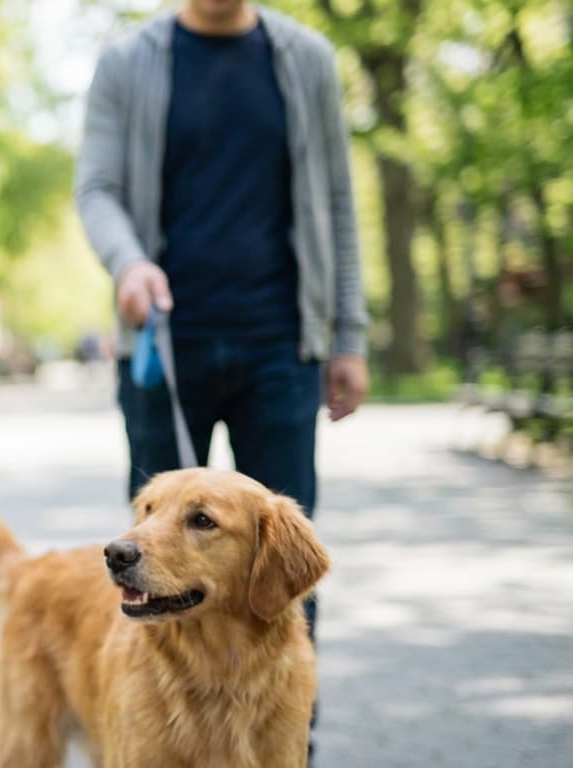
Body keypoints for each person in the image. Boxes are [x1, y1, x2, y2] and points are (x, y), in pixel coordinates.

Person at [75, 0, 369, 632]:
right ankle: (160, 731)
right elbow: (96, 187)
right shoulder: (128, 61)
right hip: (163, 345)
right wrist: (128, 264)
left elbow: (338, 202)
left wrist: (348, 335)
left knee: (280, 571)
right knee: (157, 571)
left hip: (282, 343)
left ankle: (289, 733)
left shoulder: (308, 59)